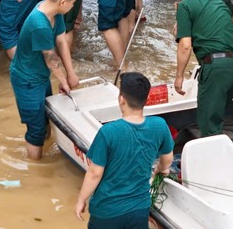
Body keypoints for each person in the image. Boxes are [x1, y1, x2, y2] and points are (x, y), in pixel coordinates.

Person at [74, 72, 174, 227]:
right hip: (139, 209)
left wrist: (81, 200)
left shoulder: (108, 132)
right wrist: (159, 170)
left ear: (121, 99)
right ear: (146, 100)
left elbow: (95, 173)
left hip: (107, 210)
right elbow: (167, 161)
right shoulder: (160, 125)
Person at [9, 0, 80, 160]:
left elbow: (62, 41)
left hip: (40, 76)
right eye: (72, 4)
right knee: (36, 130)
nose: (73, 7)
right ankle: (35, 170)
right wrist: (63, 81)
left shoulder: (55, 12)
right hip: (27, 81)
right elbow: (50, 59)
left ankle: (43, 149)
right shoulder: (39, 24)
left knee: (47, 117)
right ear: (63, 2)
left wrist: (71, 74)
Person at [172, 0, 233, 137]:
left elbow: (185, 45)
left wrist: (179, 76)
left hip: (217, 70)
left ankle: (212, 159)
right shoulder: (220, 3)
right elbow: (216, 31)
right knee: (215, 115)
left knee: (208, 124)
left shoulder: (185, 6)